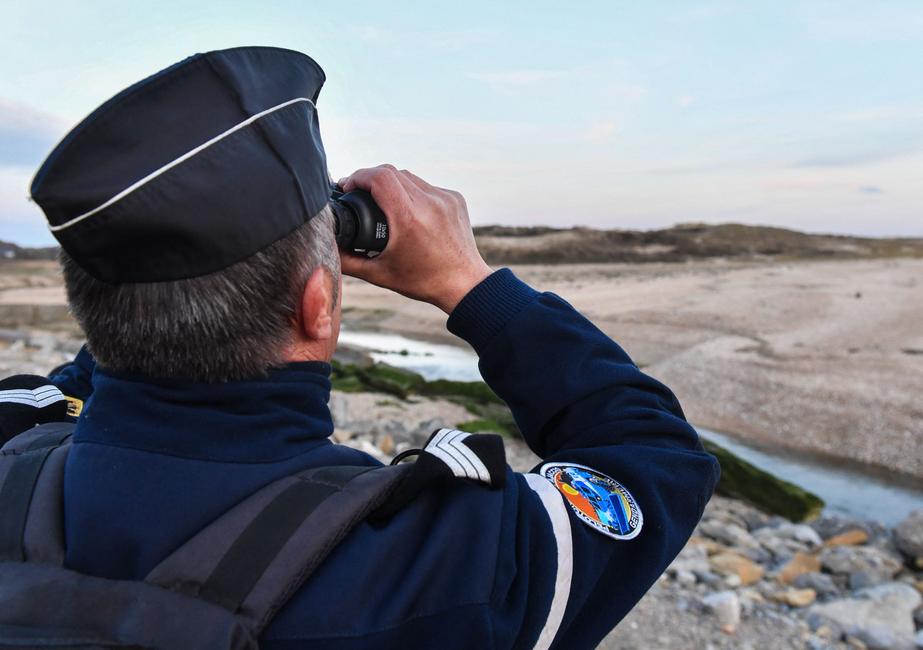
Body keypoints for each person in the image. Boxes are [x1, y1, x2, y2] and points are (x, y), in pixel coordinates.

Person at [6, 47, 719, 649]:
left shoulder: (15, 440)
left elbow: (104, 359)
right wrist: (468, 282)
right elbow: (653, 461)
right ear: (319, 305)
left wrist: (152, 273)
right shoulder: (438, 565)